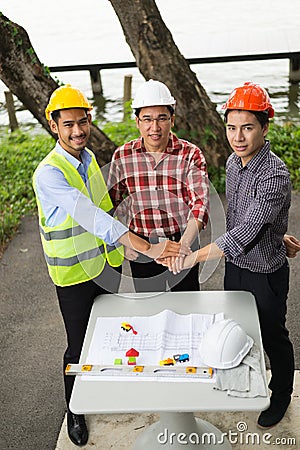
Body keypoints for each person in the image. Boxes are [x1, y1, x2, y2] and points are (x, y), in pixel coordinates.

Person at [32, 84, 186, 446]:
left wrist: (131, 248)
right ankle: (75, 410)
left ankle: (106, 390)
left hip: (105, 267)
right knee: (77, 346)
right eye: (68, 124)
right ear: (53, 125)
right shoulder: (49, 173)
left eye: (83, 122)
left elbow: (109, 209)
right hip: (73, 276)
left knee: (111, 336)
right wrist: (148, 247)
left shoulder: (89, 161)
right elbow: (93, 218)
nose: (77, 131)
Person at [165, 82, 300, 429]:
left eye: (248, 127)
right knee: (237, 329)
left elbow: (242, 233)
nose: (238, 136)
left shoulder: (275, 175)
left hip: (265, 273)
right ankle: (241, 381)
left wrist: (191, 256)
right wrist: (275, 231)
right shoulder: (233, 162)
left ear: (265, 126)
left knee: (272, 334)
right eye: (231, 127)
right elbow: (242, 216)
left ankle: (282, 392)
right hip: (235, 269)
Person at [108, 79, 209, 292]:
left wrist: (182, 247)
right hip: (142, 245)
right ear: (137, 122)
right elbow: (113, 205)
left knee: (186, 307)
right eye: (147, 119)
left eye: (162, 118)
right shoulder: (123, 155)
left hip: (182, 239)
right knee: (149, 312)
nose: (154, 127)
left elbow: (199, 206)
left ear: (172, 119)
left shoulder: (190, 154)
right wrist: (123, 244)